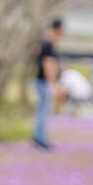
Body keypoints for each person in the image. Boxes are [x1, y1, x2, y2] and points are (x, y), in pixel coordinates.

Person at [31, 19, 63, 150]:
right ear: (58, 29)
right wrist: (54, 84)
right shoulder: (48, 44)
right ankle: (40, 138)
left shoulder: (42, 43)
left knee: (41, 110)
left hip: (40, 80)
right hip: (43, 81)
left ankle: (39, 136)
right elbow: (48, 64)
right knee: (43, 110)